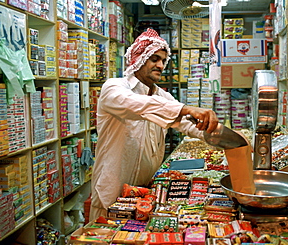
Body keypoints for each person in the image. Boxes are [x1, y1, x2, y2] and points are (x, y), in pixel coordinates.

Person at [89, 28, 219, 221]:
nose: (160, 65)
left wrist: (221, 135)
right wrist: (185, 108)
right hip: (111, 192)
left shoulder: (163, 97)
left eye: (163, 61)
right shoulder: (114, 87)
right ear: (139, 58)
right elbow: (136, 105)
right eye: (154, 59)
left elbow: (187, 124)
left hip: (143, 194)